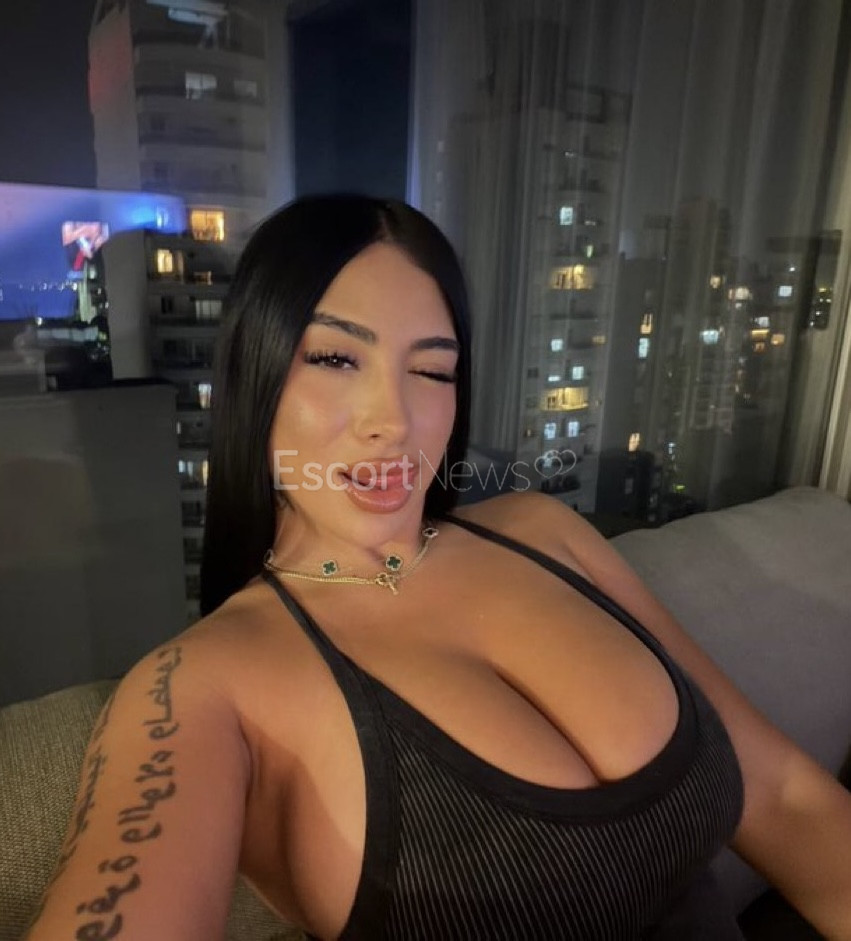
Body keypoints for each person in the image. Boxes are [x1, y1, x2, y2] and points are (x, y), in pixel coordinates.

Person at [25, 195, 851, 940]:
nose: (394, 419)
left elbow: (781, 794)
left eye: (431, 370)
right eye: (335, 359)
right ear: (256, 373)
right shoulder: (199, 683)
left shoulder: (542, 530)